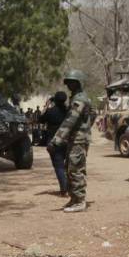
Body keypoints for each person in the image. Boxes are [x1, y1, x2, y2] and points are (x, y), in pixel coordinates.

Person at [49, 70, 94, 212]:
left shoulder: (79, 99)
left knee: (76, 169)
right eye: (68, 82)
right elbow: (93, 114)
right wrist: (86, 127)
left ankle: (80, 201)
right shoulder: (78, 97)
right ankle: (74, 199)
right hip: (76, 138)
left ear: (78, 83)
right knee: (70, 167)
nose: (69, 85)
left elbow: (70, 120)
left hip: (78, 140)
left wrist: (56, 140)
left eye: (72, 82)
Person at [40, 91, 69, 194]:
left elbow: (40, 119)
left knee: (59, 166)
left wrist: (46, 106)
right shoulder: (68, 111)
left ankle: (64, 189)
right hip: (67, 140)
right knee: (68, 166)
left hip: (54, 142)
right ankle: (70, 186)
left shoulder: (50, 111)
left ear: (54, 100)